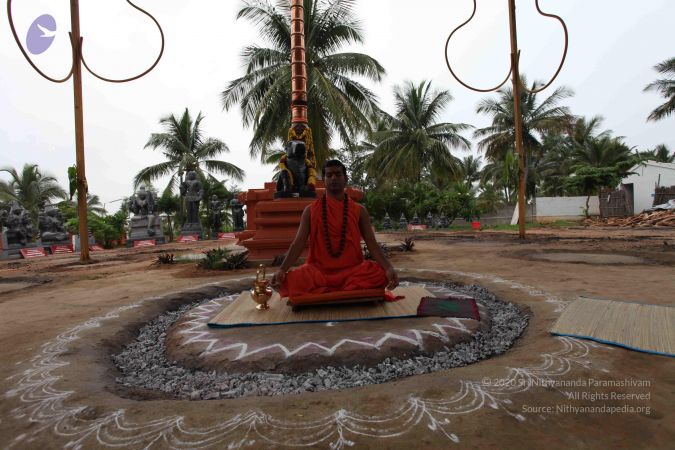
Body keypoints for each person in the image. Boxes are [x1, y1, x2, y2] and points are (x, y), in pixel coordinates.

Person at [272, 159, 398, 297]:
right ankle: (347, 292)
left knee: (380, 274)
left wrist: (388, 268)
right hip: (319, 272)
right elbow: (298, 243)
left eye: (338, 174)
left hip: (353, 270)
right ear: (324, 180)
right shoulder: (310, 211)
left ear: (345, 179)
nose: (333, 178)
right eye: (329, 175)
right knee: (290, 280)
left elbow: (371, 243)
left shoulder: (359, 210)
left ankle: (330, 292)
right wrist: (282, 269)